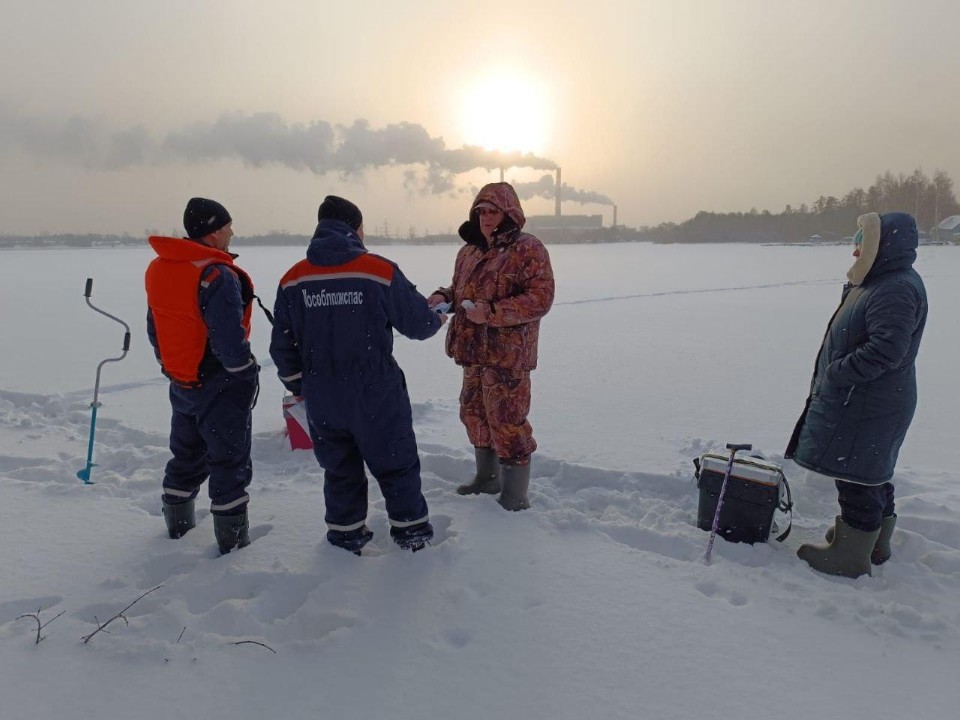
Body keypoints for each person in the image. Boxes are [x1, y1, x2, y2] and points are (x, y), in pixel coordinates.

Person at [269, 195, 445, 554]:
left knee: (339, 470)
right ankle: (411, 536)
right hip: (375, 392)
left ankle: (345, 537)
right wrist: (438, 317)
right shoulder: (377, 270)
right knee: (396, 463)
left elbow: (282, 347)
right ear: (355, 227)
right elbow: (418, 324)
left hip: (322, 396)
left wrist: (301, 386)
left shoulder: (293, 279)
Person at [785, 212, 927, 578]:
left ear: (883, 244)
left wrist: (837, 373)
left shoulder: (894, 288)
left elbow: (886, 349)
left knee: (856, 474)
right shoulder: (881, 281)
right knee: (870, 471)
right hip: (873, 400)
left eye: (861, 240)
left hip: (867, 401)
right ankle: (871, 541)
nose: (854, 250)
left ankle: (850, 555)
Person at [428, 182, 554, 511]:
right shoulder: (468, 252)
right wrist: (444, 297)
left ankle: (515, 494)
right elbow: (460, 291)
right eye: (480, 211)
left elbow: (541, 298)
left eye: (492, 211)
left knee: (508, 421)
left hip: (507, 355)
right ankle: (487, 478)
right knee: (473, 414)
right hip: (471, 352)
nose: (485, 217)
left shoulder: (528, 249)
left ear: (509, 213)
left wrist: (494, 313)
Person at [145, 197, 260, 555]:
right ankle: (233, 547)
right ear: (212, 231)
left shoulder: (161, 268)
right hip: (219, 381)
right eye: (226, 226)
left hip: (182, 379)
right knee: (229, 461)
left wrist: (171, 365)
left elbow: (155, 325)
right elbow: (228, 338)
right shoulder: (215, 275)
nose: (231, 232)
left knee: (186, 455)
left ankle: (177, 530)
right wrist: (244, 371)